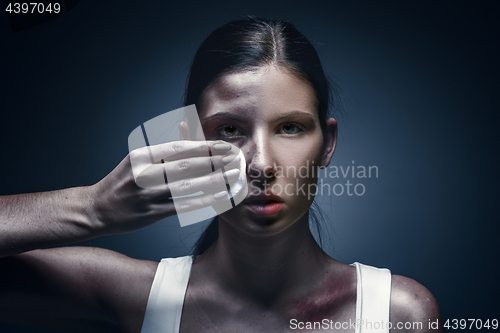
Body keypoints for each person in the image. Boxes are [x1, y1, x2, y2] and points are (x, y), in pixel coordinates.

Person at [0, 18, 443, 332]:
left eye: (290, 127)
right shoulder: (135, 295)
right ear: (190, 140)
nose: (262, 164)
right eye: (230, 130)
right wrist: (89, 208)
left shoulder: (397, 314)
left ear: (326, 144)